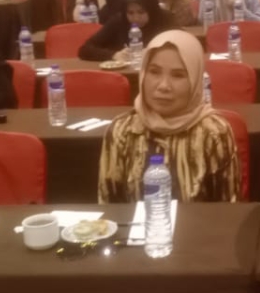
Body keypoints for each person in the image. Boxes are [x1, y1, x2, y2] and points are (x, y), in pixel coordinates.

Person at [98, 30, 240, 203]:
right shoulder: (122, 130)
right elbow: (110, 208)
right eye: (154, 72)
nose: (164, 86)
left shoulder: (214, 132)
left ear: (195, 80)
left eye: (178, 75)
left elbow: (228, 211)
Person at [79, 0, 177, 62]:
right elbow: (85, 49)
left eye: (141, 12)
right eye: (130, 13)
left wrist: (154, 52)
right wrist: (113, 55)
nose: (136, 18)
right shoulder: (118, 21)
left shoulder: (165, 19)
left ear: (151, 9)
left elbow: (181, 46)